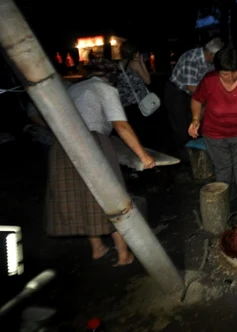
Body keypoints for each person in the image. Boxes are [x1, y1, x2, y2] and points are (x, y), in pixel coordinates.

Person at [45, 58, 155, 265]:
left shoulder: (73, 89)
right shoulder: (105, 89)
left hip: (62, 145)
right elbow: (121, 126)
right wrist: (144, 156)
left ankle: (97, 248)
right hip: (91, 144)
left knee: (80, 196)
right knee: (110, 196)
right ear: (111, 78)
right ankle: (123, 255)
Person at [188, 46, 237, 217]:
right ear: (217, 71)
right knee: (223, 168)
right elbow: (196, 100)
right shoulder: (209, 81)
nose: (230, 77)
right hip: (214, 134)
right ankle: (225, 201)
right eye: (225, 74)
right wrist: (196, 119)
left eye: (234, 72)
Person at [165, 37, 224, 162]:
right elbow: (192, 87)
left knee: (199, 124)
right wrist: (206, 104)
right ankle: (186, 160)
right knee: (182, 127)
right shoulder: (192, 59)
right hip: (178, 93)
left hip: (195, 94)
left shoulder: (211, 62)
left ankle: (200, 155)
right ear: (210, 53)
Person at [116, 40, 151, 143]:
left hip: (126, 103)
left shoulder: (118, 65)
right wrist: (142, 63)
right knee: (143, 131)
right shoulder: (134, 63)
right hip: (139, 102)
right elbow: (148, 80)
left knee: (133, 130)